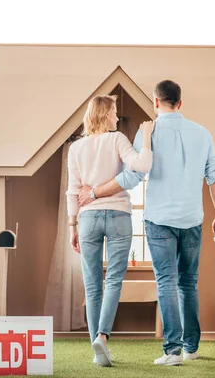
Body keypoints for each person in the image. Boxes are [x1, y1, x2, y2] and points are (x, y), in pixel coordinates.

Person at [78, 80, 215, 366]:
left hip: (159, 220)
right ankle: (191, 347)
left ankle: (172, 351)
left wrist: (95, 191)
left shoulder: (149, 133)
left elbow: (132, 177)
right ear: (180, 103)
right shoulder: (203, 134)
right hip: (193, 219)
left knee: (167, 283)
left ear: (156, 102)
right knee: (189, 283)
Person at [66, 94, 155, 367]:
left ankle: (98, 353)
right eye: (114, 112)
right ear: (105, 115)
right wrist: (147, 135)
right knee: (114, 281)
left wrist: (73, 225)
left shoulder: (76, 148)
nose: (117, 117)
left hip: (88, 218)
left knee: (93, 286)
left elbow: (72, 189)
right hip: (118, 214)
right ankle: (102, 337)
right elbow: (143, 165)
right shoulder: (117, 139)